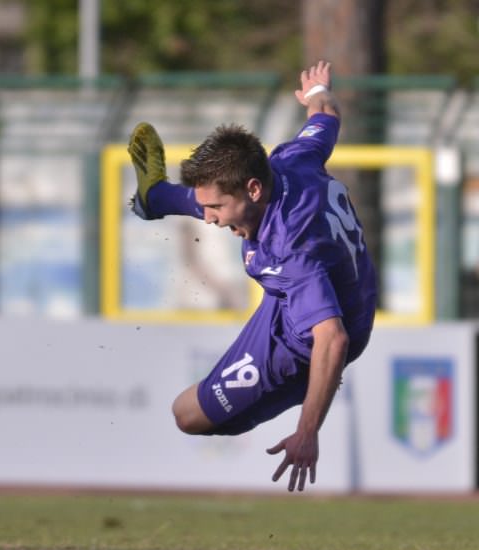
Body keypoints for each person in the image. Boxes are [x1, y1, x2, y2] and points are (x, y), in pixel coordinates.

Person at [127, 61, 376, 492]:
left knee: (187, 415)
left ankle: (156, 198)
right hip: (302, 297)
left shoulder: (291, 249)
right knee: (225, 207)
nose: (211, 220)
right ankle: (158, 198)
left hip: (301, 342)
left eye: (217, 209)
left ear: (255, 189)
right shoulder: (290, 159)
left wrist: (307, 431)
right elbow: (326, 118)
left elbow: (332, 339)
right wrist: (318, 92)